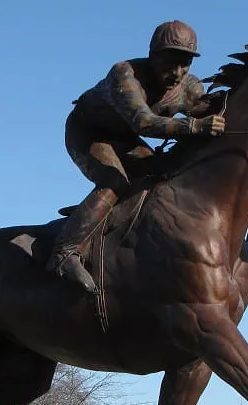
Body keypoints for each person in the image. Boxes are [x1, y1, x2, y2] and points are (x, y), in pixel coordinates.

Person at [46, 20, 227, 293]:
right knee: (114, 180)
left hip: (123, 138)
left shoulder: (190, 87)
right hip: (89, 131)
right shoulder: (125, 74)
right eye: (169, 63)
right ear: (153, 55)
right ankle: (64, 254)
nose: (177, 73)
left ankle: (106, 221)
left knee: (162, 173)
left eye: (185, 64)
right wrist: (195, 127)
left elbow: (206, 109)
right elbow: (143, 122)